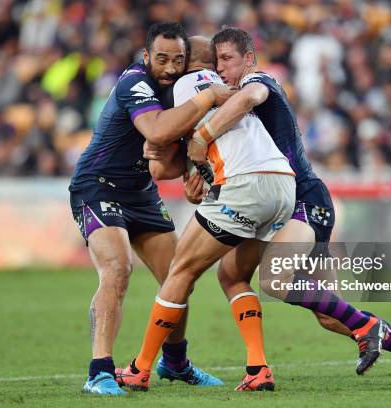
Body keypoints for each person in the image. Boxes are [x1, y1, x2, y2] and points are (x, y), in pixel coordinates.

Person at [186, 26, 391, 390]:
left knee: (275, 280)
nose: (222, 70)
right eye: (217, 64)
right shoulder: (230, 103)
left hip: (305, 201)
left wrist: (201, 138)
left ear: (249, 58)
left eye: (228, 60)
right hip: (295, 205)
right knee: (327, 312)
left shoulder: (259, 81)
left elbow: (251, 97)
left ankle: (366, 329)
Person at [115, 35, 297, 392]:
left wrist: (163, 153)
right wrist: (196, 169)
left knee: (180, 270)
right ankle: (258, 368)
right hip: (282, 186)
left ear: (188, 62)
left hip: (244, 185)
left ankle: (140, 368)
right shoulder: (229, 86)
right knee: (232, 276)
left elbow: (159, 168)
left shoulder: (183, 88)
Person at [69, 22, 232, 396]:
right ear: (147, 56)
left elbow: (163, 165)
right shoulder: (135, 83)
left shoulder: (177, 94)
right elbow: (157, 132)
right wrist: (208, 98)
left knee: (180, 275)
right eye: (162, 59)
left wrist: (194, 178)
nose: (171, 68)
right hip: (98, 186)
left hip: (141, 193)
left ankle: (175, 363)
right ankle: (100, 371)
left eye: (179, 61)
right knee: (117, 267)